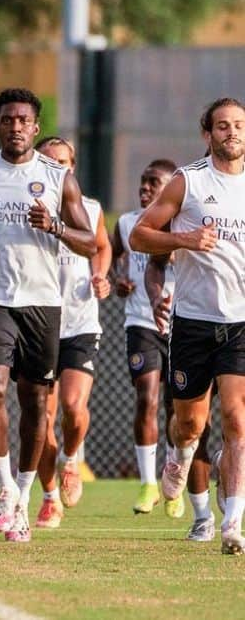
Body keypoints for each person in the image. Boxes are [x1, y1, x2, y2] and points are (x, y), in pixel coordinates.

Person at [0, 87, 95, 543]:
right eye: (8, 119)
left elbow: (91, 240)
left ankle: (25, 499)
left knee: (38, 404)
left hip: (43, 303)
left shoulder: (56, 177)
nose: (16, 127)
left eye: (24, 120)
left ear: (35, 126)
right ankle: (5, 487)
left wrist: (57, 227)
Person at [129, 97, 245, 554]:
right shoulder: (189, 181)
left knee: (237, 419)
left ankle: (232, 523)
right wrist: (183, 239)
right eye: (222, 126)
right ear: (207, 133)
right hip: (194, 321)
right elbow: (141, 234)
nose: (231, 133)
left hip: (240, 322)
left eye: (238, 125)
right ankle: (180, 457)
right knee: (190, 425)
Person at [110, 159, 216, 534]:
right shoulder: (127, 224)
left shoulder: (196, 219)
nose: (146, 190)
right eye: (142, 182)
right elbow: (118, 260)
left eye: (154, 183)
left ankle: (194, 500)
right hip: (145, 322)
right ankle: (148, 483)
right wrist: (118, 281)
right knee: (147, 396)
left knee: (190, 419)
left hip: (195, 323)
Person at [31, 137, 111, 529]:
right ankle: (49, 499)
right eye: (49, 161)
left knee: (74, 408)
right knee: (42, 417)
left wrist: (101, 273)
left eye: (63, 162)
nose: (57, 168)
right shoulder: (25, 206)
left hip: (79, 321)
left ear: (73, 166)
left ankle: (72, 458)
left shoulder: (90, 208)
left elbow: (101, 246)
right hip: (38, 321)